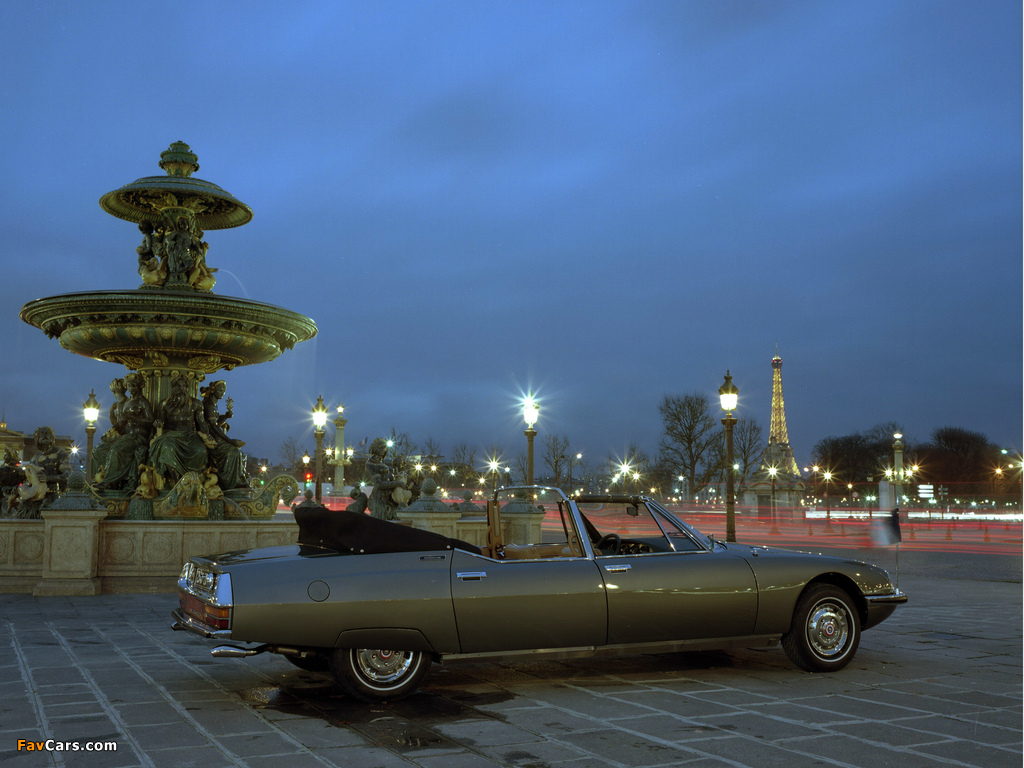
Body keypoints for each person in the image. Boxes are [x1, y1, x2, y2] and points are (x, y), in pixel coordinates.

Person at [149, 376, 210, 488]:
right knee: (167, 448)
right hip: (171, 435)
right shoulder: (164, 404)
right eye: (178, 386)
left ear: (187, 388)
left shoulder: (196, 404)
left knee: (200, 450)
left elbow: (202, 423)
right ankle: (177, 483)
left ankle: (193, 480)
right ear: (173, 388)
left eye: (184, 386)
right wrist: (158, 423)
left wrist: (207, 435)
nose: (181, 388)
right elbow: (161, 421)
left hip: (190, 436)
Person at [96, 373, 154, 490]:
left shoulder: (143, 402)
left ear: (140, 386)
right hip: (126, 436)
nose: (131, 389)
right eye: (129, 386)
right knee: (99, 450)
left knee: (116, 450)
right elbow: (122, 422)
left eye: (134, 386)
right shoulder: (127, 403)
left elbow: (150, 421)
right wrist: (111, 431)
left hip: (138, 437)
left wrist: (133, 418)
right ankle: (102, 476)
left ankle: (111, 481)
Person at [200, 381, 248, 489]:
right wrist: (229, 440)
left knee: (239, 453)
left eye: (224, 391)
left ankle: (239, 478)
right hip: (209, 437)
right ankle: (229, 483)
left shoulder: (214, 405)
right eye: (221, 390)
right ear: (213, 390)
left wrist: (226, 416)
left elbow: (215, 423)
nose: (223, 393)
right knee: (234, 452)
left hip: (214, 435)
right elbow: (213, 426)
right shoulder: (208, 404)